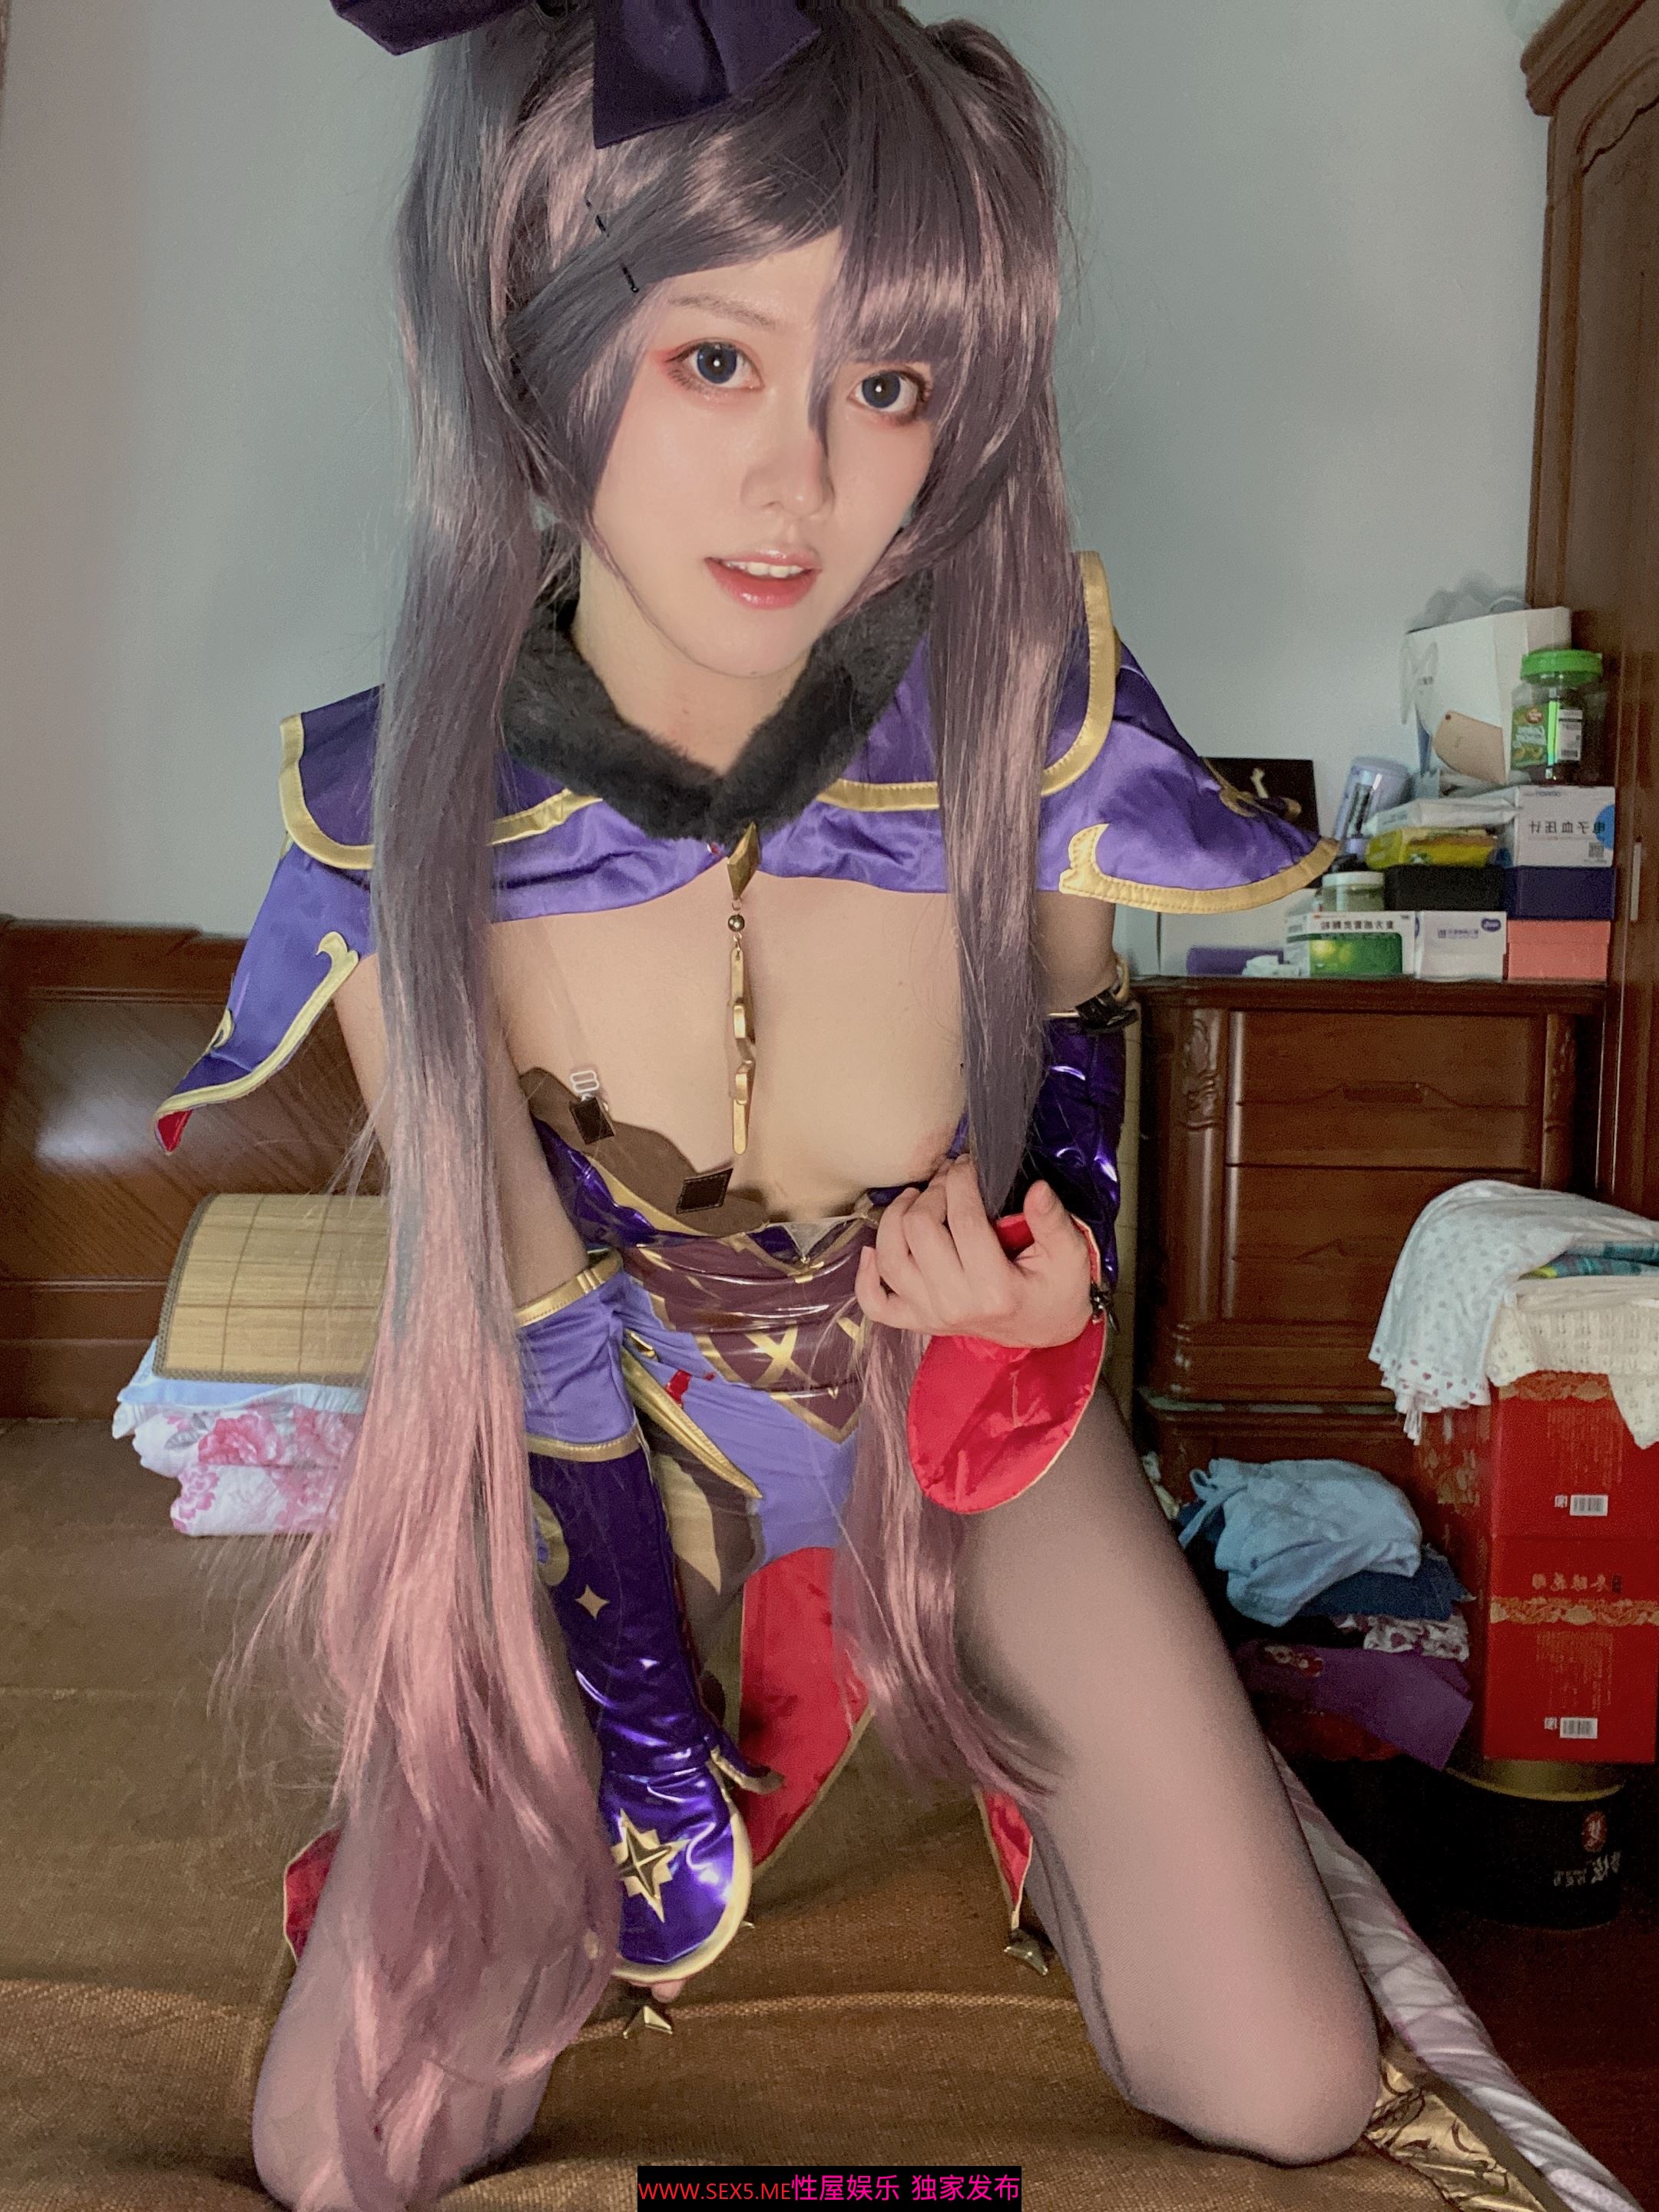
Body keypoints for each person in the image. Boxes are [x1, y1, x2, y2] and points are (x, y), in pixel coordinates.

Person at [153, 3, 1379, 2203]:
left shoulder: (1036, 713)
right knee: (349, 2156)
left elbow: (1076, 1075)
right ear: (533, 341)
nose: (802, 478)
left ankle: (1041, 1785)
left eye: (887, 383)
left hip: (957, 1411)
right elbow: (516, 1300)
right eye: (715, 358)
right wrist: (628, 1698)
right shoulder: (394, 811)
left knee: (1288, 2086)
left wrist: (1048, 1279)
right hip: (599, 1444)